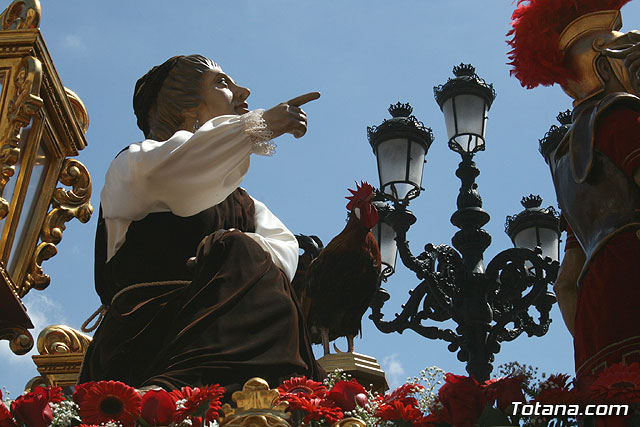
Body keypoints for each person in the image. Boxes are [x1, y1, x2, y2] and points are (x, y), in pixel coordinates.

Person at [78, 54, 323, 393]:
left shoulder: (245, 203)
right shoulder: (135, 162)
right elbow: (178, 170)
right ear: (185, 107)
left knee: (243, 248)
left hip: (242, 333)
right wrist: (259, 124)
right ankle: (170, 390)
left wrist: (231, 247)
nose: (243, 91)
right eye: (222, 83)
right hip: (149, 339)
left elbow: (284, 249)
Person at [508, 0, 640, 393]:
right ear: (605, 62)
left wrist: (587, 334)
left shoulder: (563, 157)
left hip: (595, 313)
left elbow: (566, 283)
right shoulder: (621, 117)